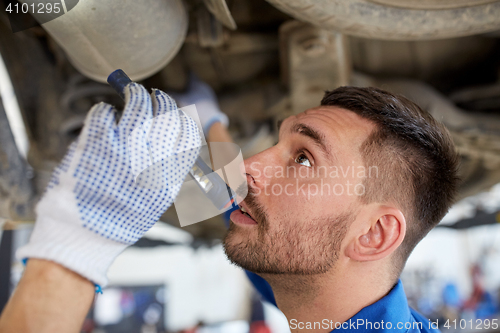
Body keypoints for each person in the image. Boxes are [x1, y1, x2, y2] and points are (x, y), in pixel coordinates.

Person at [0, 77, 459, 333]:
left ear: (374, 234)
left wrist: (75, 247)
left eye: (303, 158)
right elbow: (239, 201)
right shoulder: (311, 283)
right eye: (282, 142)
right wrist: (212, 121)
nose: (254, 162)